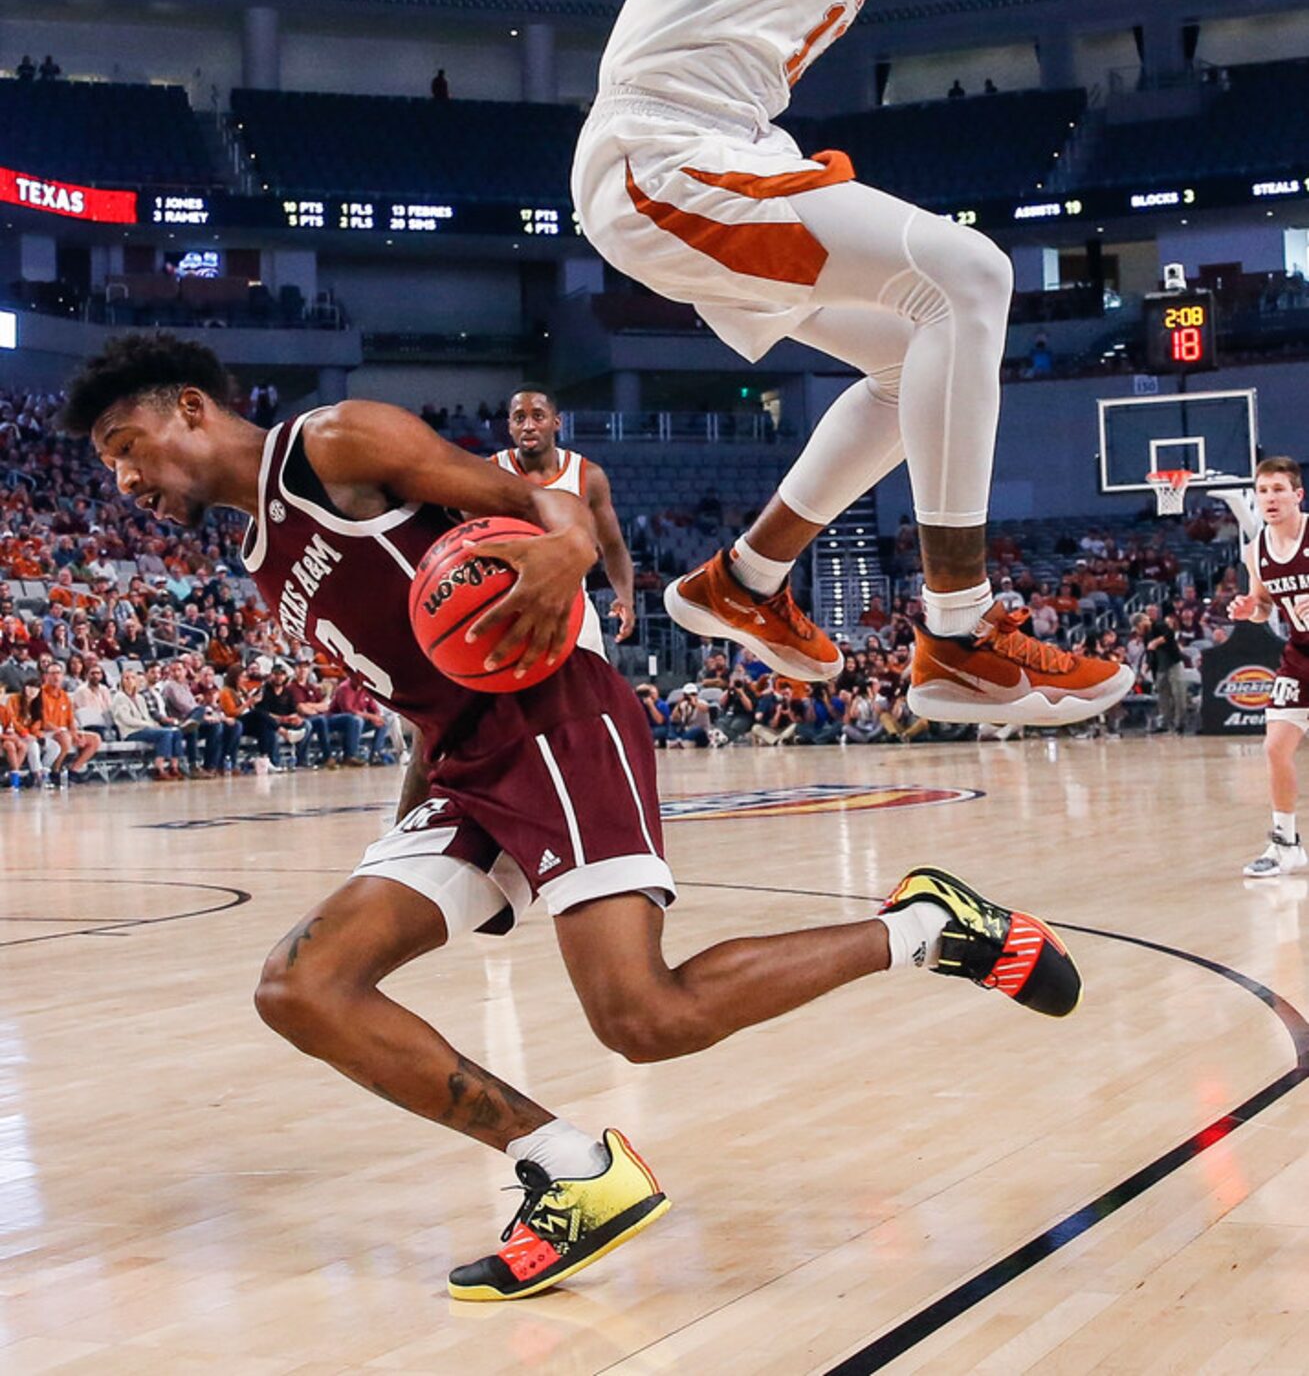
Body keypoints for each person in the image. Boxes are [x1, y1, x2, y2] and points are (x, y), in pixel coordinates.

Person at [62, 336, 1085, 1297]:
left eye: (124, 448)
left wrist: (564, 553)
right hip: (463, 765)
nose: (124, 480)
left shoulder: (331, 445)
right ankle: (568, 1167)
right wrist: (412, 828)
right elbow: (423, 692)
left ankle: (926, 929)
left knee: (643, 1017)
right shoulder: (259, 557)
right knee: (302, 984)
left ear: (189, 408)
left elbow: (531, 505)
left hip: (549, 717)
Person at [508, 0, 1149, 731]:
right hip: (663, 153)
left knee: (916, 361)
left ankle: (742, 580)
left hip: (720, 156)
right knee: (968, 274)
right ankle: (957, 632)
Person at [493, 384, 636, 656]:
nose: (528, 426)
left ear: (556, 422)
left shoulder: (588, 476)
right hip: (509, 605)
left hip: (573, 608)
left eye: (538, 416)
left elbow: (613, 546)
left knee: (591, 698)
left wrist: (626, 597)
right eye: (519, 418)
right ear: (509, 426)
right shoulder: (490, 472)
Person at [1233, 458, 1309, 878]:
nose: (1270, 498)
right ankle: (1285, 845)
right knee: (1275, 746)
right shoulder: (1255, 551)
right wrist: (1251, 609)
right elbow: (1263, 606)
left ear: (1297, 494)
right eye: (1262, 491)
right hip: (1300, 657)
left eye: (1278, 489)